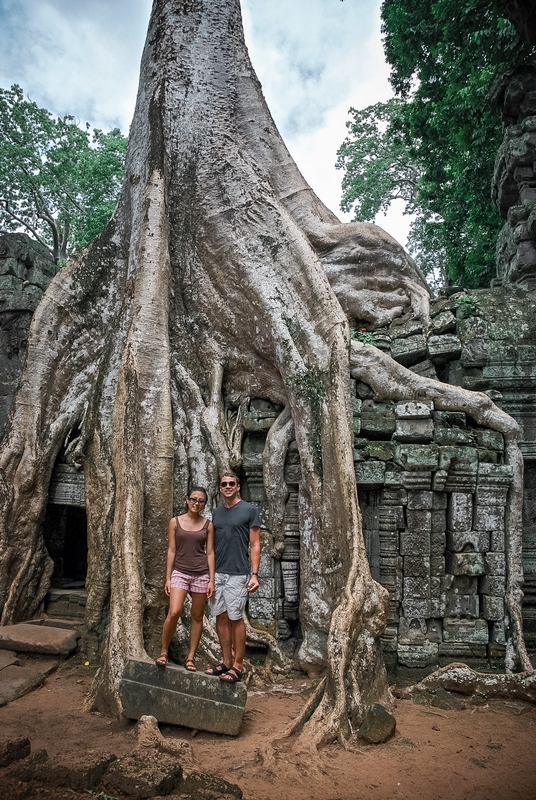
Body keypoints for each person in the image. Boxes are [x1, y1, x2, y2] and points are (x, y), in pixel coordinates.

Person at [206, 473, 260, 683]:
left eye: (231, 484)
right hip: (217, 572)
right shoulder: (216, 513)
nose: (227, 487)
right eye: (224, 484)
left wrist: (254, 574)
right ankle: (226, 662)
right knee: (220, 616)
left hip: (238, 573)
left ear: (238, 487)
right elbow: (211, 547)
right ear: (220, 489)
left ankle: (238, 665)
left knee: (236, 618)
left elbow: (255, 544)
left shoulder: (249, 510)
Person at [156, 487, 215, 671]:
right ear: (187, 499)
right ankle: (164, 651)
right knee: (174, 612)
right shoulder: (175, 522)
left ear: (205, 504)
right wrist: (168, 578)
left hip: (201, 574)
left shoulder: (208, 525)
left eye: (201, 501)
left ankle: (191, 658)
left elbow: (210, 552)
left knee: (197, 617)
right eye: (193, 499)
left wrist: (211, 580)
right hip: (180, 572)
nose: (196, 503)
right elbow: (171, 550)